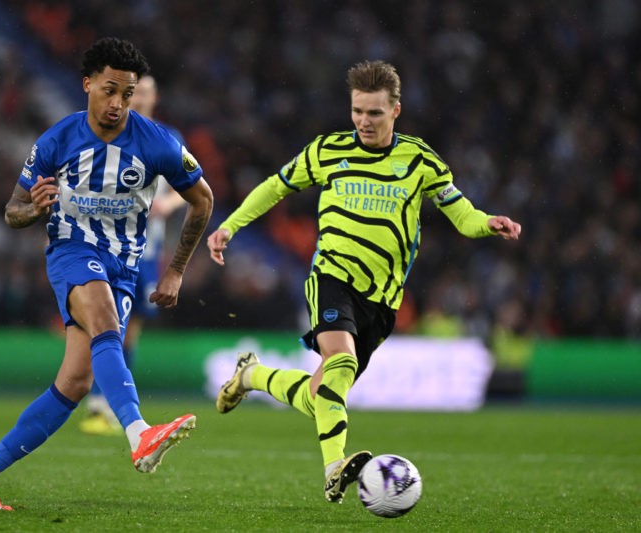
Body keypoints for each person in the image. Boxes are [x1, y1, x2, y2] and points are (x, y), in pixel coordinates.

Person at [207, 60, 520, 504]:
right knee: (342, 362)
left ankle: (252, 376)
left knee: (322, 394)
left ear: (396, 111)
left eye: (374, 113)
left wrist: (488, 222)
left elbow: (462, 214)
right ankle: (334, 468)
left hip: (382, 300)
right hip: (331, 276)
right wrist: (231, 227)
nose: (363, 121)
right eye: (357, 111)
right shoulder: (327, 151)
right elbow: (275, 187)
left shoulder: (419, 160)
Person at [0, 37, 214, 511]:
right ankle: (139, 434)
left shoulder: (157, 142)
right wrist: (33, 208)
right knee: (106, 321)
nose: (118, 103)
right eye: (110, 90)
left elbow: (203, 200)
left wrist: (175, 270)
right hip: (72, 251)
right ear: (88, 84)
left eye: (128, 94)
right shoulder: (56, 140)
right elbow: (12, 210)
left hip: (126, 264)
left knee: (73, 382)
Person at [79, 74, 188, 436]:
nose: (138, 98)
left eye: (144, 92)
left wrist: (166, 205)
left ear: (154, 98)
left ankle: (108, 402)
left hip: (145, 249)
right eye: (133, 92)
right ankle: (98, 402)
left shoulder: (167, 138)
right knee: (107, 322)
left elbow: (186, 190)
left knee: (130, 330)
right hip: (105, 242)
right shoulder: (107, 133)